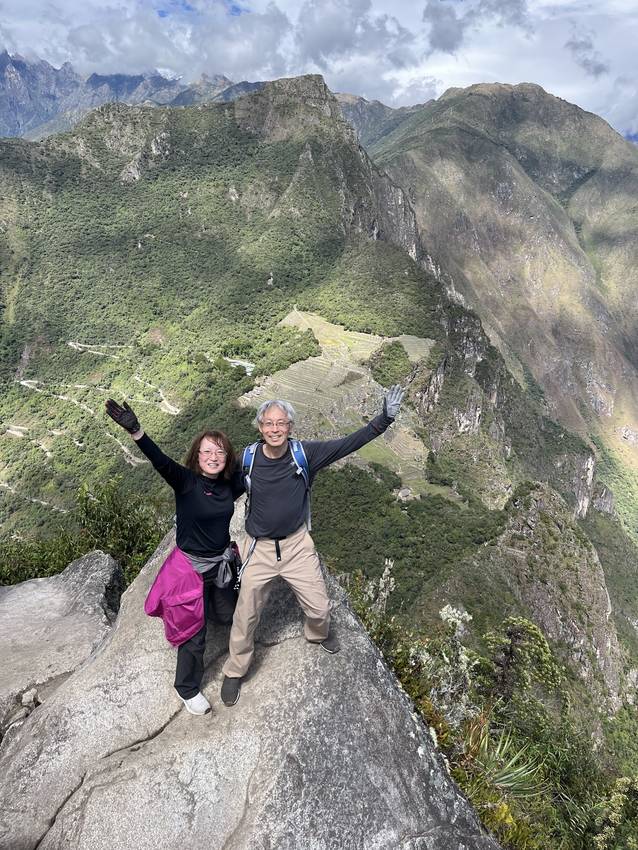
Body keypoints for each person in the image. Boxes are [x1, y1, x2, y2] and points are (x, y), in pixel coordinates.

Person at [220, 384, 404, 707]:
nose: (275, 429)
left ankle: (316, 634)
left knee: (320, 609)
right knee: (245, 613)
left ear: (290, 427)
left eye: (281, 423)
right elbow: (225, 495)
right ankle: (235, 669)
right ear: (260, 428)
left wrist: (384, 420)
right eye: (269, 424)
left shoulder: (304, 454)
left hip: (296, 546)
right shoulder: (247, 460)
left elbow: (348, 444)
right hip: (259, 548)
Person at [105, 398, 244, 716]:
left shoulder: (228, 487)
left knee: (227, 616)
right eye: (206, 451)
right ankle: (187, 688)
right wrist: (136, 431)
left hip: (220, 566)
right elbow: (160, 460)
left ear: (227, 458)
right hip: (190, 572)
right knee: (195, 635)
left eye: (219, 452)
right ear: (197, 456)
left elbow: (260, 470)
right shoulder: (186, 482)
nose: (212, 457)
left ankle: (213, 608)